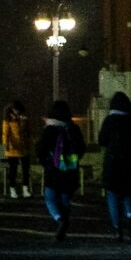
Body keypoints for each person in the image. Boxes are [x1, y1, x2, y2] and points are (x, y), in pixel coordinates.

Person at [97, 91, 131, 243]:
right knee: (129, 193)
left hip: (113, 162)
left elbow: (102, 140)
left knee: (113, 195)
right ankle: (130, 215)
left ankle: (117, 228)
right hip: (130, 162)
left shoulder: (109, 120)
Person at [35, 100, 84, 241]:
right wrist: (73, 160)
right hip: (70, 169)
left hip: (54, 168)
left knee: (50, 197)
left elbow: (40, 150)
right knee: (65, 197)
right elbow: (81, 148)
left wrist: (47, 163)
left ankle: (59, 219)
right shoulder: (73, 129)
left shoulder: (49, 130)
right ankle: (65, 221)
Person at [0, 101, 31, 197]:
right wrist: (5, 144)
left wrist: (24, 122)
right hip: (12, 148)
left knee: (26, 169)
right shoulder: (7, 120)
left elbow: (28, 132)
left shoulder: (23, 118)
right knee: (13, 170)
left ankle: (25, 189)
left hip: (23, 147)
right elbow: (5, 133)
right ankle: (12, 189)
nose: (17, 112)